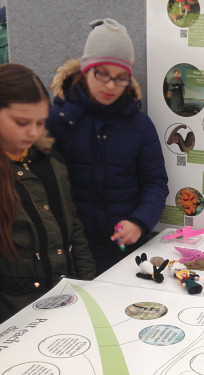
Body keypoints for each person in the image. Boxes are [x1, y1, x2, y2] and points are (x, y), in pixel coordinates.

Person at [46, 19, 169, 274]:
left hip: (124, 252)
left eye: (121, 77)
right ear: (84, 70)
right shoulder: (57, 119)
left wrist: (139, 221)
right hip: (71, 251)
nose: (111, 85)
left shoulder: (140, 124)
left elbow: (155, 182)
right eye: (101, 73)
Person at [0, 63, 96, 323]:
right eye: (21, 122)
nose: (32, 132)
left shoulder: (50, 160)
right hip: (14, 319)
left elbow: (73, 225)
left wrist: (88, 288)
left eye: (40, 122)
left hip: (65, 305)